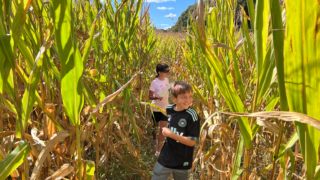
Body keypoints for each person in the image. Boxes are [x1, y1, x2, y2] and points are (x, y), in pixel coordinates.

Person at [152, 81, 200, 180]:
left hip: (183, 159)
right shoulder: (169, 109)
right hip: (166, 157)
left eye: (190, 96)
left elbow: (191, 142)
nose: (188, 100)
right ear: (174, 98)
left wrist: (171, 134)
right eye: (183, 97)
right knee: (157, 176)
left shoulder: (192, 116)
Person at [149, 63, 170, 156]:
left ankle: (159, 151)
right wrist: (157, 97)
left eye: (168, 70)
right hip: (155, 108)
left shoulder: (167, 80)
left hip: (165, 108)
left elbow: (167, 90)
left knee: (162, 129)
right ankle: (154, 139)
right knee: (155, 127)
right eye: (166, 71)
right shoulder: (154, 82)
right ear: (159, 72)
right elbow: (150, 96)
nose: (168, 73)